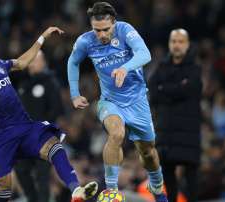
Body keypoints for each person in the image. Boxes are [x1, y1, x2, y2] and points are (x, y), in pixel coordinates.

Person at [0, 27, 98, 202]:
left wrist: (42, 37)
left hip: (24, 127)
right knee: (3, 196)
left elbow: (23, 62)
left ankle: (76, 189)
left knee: (54, 146)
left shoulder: (1, 66)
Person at [67, 2, 168, 201]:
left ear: (114, 23)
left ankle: (157, 186)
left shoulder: (125, 30)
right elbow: (73, 61)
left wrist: (125, 68)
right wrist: (74, 94)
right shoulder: (86, 41)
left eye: (106, 29)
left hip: (137, 101)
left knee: (147, 152)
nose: (102, 35)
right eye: (97, 30)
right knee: (116, 133)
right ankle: (111, 190)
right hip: (110, 101)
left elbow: (144, 54)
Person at [148, 29, 202, 202]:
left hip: (188, 132)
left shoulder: (195, 68)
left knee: (191, 178)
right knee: (168, 179)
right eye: (173, 41)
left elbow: (189, 90)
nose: (176, 45)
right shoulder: (161, 67)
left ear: (187, 45)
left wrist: (165, 89)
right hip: (166, 132)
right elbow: (153, 93)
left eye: (180, 41)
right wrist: (177, 88)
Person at [15, 50, 64, 202]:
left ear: (43, 62)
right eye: (30, 60)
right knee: (21, 169)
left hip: (43, 138)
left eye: (35, 60)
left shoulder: (51, 83)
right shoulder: (23, 84)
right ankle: (32, 199)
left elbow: (56, 110)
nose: (32, 63)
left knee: (42, 176)